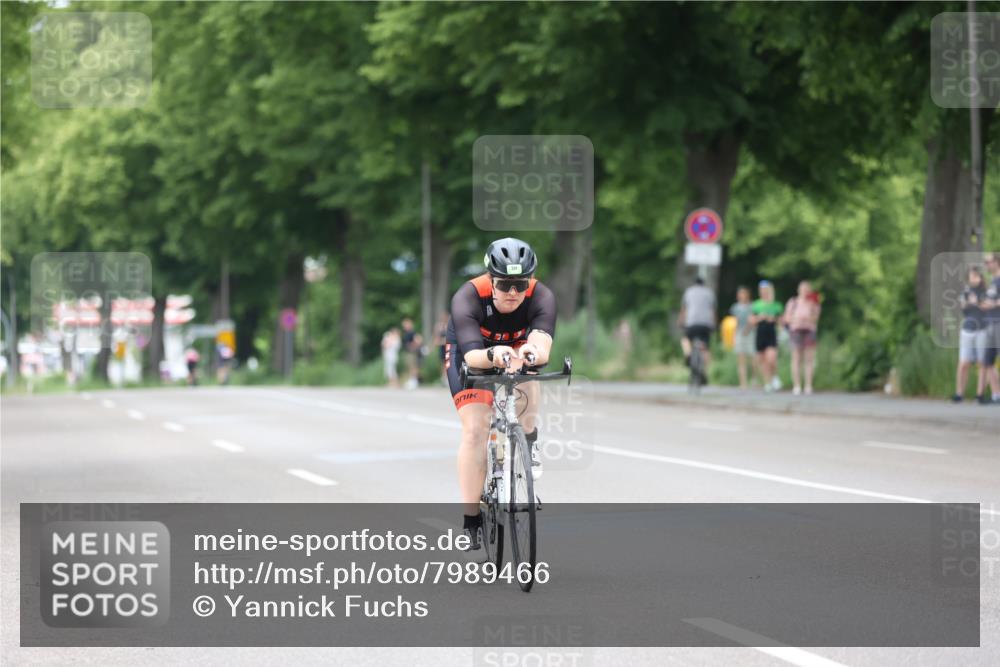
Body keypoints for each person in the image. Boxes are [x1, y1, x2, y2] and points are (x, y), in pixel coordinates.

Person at [445, 237, 556, 557]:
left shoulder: (542, 297)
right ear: (490, 280)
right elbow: (473, 358)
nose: (512, 293)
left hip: (516, 348)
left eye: (520, 284)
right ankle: (470, 520)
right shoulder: (467, 297)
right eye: (505, 284)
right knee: (476, 429)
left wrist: (532, 353)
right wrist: (495, 355)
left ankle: (529, 441)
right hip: (474, 352)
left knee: (528, 378)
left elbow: (541, 344)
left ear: (530, 281)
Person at [954, 267, 989, 403]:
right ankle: (959, 394)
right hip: (967, 330)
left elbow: (989, 307)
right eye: (972, 276)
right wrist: (970, 302)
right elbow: (963, 307)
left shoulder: (986, 292)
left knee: (982, 363)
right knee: (964, 363)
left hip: (982, 330)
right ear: (968, 278)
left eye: (977, 276)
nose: (975, 278)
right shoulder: (965, 292)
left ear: (981, 278)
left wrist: (977, 303)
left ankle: (979, 395)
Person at [784, 280, 822, 395]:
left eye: (807, 289)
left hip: (809, 331)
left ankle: (808, 385)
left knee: (809, 359)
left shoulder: (814, 303)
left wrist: (807, 317)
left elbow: (815, 318)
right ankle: (797, 385)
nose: (805, 291)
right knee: (796, 359)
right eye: (803, 288)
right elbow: (787, 318)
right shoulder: (793, 302)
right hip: (796, 331)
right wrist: (797, 320)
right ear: (799, 290)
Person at [678, 277, 716, 384]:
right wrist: (713, 325)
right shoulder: (709, 293)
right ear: (703, 284)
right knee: (706, 348)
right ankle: (704, 371)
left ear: (694, 284)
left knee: (685, 339)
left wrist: (680, 321)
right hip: (705, 324)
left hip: (692, 323)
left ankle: (688, 354)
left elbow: (684, 309)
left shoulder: (689, 292)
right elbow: (712, 310)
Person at [751, 280, 783, 392]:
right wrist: (760, 317)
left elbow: (780, 321)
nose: (763, 292)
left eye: (765, 290)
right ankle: (767, 382)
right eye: (762, 290)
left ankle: (774, 376)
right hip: (760, 333)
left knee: (771, 358)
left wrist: (772, 319)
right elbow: (752, 321)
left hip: (771, 333)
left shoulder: (776, 305)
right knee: (762, 359)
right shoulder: (756, 304)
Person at [981, 253, 1000, 403]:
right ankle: (996, 396)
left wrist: (992, 304)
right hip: (990, 324)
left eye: (988, 262)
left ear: (996, 262)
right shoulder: (992, 282)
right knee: (988, 361)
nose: (986, 265)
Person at [729, 286, 755, 389]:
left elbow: (753, 319)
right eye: (740, 294)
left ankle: (753, 379)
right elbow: (734, 322)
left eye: (744, 293)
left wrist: (747, 329)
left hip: (750, 332)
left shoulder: (752, 306)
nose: (742, 296)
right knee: (741, 357)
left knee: (753, 357)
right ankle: (743, 382)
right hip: (739, 332)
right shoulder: (735, 307)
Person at [401, 318, 423, 390]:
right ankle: (412, 380)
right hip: (408, 352)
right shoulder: (406, 333)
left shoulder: (412, 332)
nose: (404, 326)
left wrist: (413, 346)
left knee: (413, 366)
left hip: (411, 352)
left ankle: (414, 381)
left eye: (406, 324)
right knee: (410, 366)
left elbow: (418, 339)